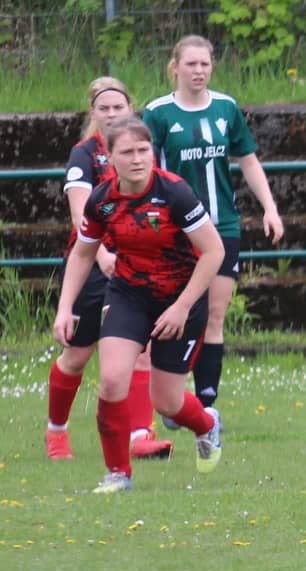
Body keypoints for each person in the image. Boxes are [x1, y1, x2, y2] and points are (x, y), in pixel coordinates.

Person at [53, 116, 226, 493]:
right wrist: (65, 309)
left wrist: (182, 306)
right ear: (111, 158)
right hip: (129, 295)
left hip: (182, 298)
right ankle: (118, 474)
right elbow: (82, 253)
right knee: (112, 380)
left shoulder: (174, 193)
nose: (137, 159)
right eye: (127, 152)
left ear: (153, 152)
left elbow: (214, 251)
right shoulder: (102, 200)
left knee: (167, 401)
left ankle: (207, 425)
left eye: (143, 150)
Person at [143, 34, 284, 422]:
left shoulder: (226, 107)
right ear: (175, 68)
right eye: (191, 64)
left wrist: (270, 208)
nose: (199, 71)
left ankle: (205, 407)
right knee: (177, 312)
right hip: (176, 232)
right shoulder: (157, 113)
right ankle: (172, 397)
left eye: (205, 64)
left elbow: (248, 160)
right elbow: (146, 171)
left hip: (223, 226)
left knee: (215, 315)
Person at [46, 77, 174, 461]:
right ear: (93, 113)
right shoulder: (84, 154)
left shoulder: (142, 150)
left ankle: (140, 435)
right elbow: (80, 212)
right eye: (104, 108)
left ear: (130, 109)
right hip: (92, 262)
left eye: (119, 107)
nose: (112, 114)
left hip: (136, 262)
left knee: (142, 349)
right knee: (78, 355)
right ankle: (56, 432)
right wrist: (101, 254)